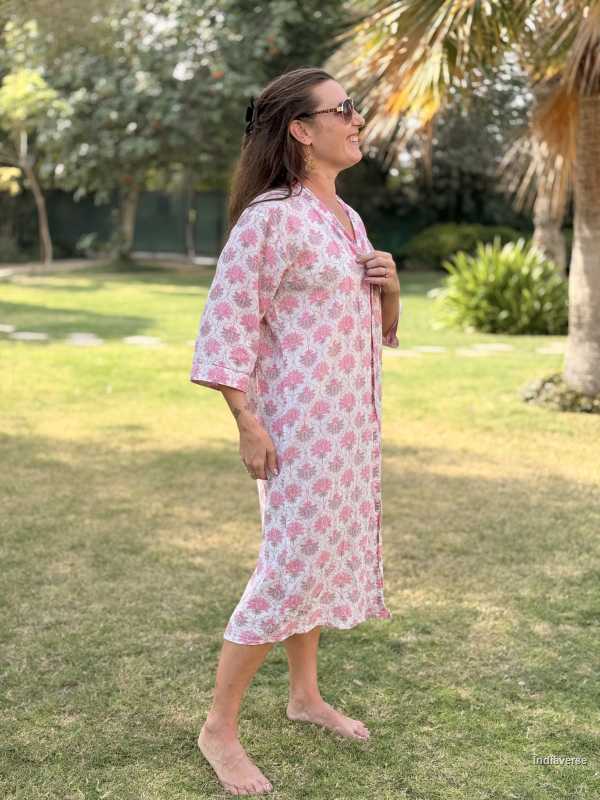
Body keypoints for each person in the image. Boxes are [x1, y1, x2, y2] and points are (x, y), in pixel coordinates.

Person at [189, 66, 402, 796]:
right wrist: (246, 421)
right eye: (344, 109)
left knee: (314, 564)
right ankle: (219, 727)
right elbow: (226, 329)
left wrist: (391, 285)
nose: (357, 119)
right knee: (287, 569)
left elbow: (380, 331)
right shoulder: (270, 218)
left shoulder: (348, 219)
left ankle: (305, 696)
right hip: (296, 432)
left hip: (349, 429)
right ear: (302, 130)